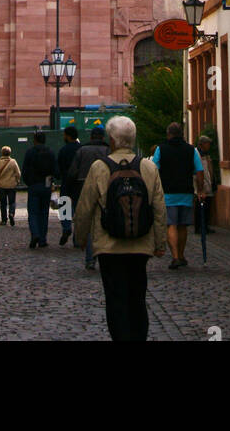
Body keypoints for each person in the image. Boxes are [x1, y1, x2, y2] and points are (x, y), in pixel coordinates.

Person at [73, 115, 167, 342]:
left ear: (112, 140)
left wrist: (81, 237)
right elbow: (159, 208)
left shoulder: (99, 167)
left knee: (115, 299)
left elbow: (85, 206)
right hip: (140, 244)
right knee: (137, 297)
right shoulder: (148, 167)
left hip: (109, 246)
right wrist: (160, 243)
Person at [152, 121, 204, 268]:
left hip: (167, 193)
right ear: (181, 134)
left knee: (171, 224)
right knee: (183, 226)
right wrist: (200, 190)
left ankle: (175, 256)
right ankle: (181, 255)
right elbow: (199, 171)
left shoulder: (161, 149)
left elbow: (154, 170)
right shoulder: (191, 150)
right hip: (186, 192)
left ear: (168, 134)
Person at [67, 124, 110, 269]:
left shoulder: (82, 150)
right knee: (106, 222)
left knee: (90, 223)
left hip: (83, 188)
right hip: (105, 189)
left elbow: (73, 172)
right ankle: (105, 256)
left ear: (91, 137)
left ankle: (90, 258)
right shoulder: (108, 150)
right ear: (103, 137)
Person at [20, 131, 58, 248]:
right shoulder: (50, 152)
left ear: (35, 140)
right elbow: (55, 170)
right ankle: (42, 239)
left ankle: (35, 234)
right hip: (46, 185)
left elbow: (24, 170)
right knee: (44, 213)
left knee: (33, 213)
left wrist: (29, 183)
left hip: (33, 186)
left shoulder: (30, 152)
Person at [56, 125, 81, 246]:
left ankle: (66, 227)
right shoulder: (81, 149)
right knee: (79, 211)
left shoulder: (63, 150)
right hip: (80, 183)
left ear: (67, 136)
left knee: (65, 206)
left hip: (66, 182)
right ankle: (77, 238)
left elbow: (59, 167)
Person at [195, 130, 221, 235]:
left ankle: (205, 226)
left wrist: (213, 181)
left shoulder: (207, 155)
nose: (209, 145)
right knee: (200, 208)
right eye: (207, 143)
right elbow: (198, 172)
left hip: (208, 184)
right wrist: (199, 187)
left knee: (207, 208)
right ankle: (199, 227)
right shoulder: (197, 155)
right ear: (202, 144)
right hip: (201, 185)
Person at [0, 146, 20, 226]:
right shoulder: (13, 162)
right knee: (12, 202)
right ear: (10, 153)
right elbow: (18, 173)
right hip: (11, 185)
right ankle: (11, 213)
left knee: (3, 203)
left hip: (1, 186)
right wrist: (17, 180)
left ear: (2, 153)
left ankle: (4, 220)